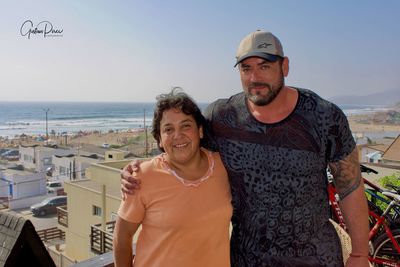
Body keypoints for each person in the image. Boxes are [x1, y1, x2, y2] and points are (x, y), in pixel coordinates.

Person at [121, 31, 370, 267]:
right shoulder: (221, 117)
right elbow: (183, 145)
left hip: (316, 259)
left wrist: (359, 252)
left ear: (284, 66)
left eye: (265, 66)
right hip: (246, 259)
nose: (254, 78)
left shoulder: (324, 116)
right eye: (246, 68)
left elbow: (350, 187)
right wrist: (138, 170)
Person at [113, 89, 232, 267]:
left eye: (186, 125)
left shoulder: (224, 166)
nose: (178, 135)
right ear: (160, 140)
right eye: (169, 129)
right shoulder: (141, 177)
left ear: (200, 131)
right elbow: (121, 237)